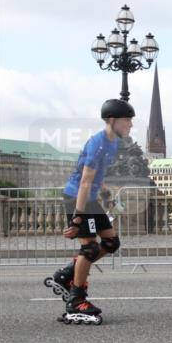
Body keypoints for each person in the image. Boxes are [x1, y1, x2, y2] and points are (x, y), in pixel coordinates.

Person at [45, 98, 134, 325]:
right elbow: (85, 180)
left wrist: (105, 194)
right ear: (112, 120)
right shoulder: (98, 143)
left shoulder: (112, 143)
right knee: (90, 247)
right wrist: (77, 217)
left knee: (111, 243)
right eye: (127, 120)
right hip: (78, 197)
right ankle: (76, 299)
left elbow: (97, 176)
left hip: (90, 197)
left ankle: (67, 274)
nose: (130, 125)